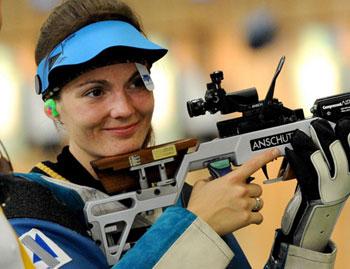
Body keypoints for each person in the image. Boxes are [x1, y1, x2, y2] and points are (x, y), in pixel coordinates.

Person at [0, 0, 349, 268]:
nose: (123, 108)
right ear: (51, 108)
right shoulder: (27, 212)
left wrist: (310, 226)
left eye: (137, 83)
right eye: (95, 91)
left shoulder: (176, 195)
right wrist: (196, 226)